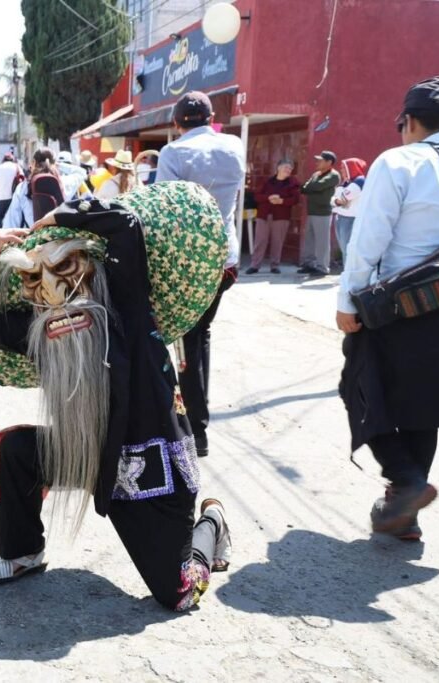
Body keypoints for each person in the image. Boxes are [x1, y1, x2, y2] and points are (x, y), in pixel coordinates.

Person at [0, 202, 232, 610]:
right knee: (19, 451)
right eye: (34, 279)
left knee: (179, 593)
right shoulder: (41, 329)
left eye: (65, 270)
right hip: (85, 453)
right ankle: (23, 552)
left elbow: (125, 225)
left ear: (92, 270)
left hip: (148, 473)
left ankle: (211, 522)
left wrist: (60, 217)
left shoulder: (129, 307)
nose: (52, 291)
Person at [337, 75, 439, 541]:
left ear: (410, 122)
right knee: (425, 407)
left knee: (360, 389)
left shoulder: (401, 161)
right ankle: (403, 511)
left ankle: (405, 484)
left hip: (407, 310)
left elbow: (369, 240)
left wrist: (348, 301)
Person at [156, 91, 244, 459]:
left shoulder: (173, 153)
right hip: (225, 258)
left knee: (186, 342)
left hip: (189, 261)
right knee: (199, 337)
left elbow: (165, 206)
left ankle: (195, 431)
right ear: (211, 118)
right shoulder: (234, 146)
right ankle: (197, 428)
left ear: (177, 123)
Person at [247, 160, 301, 274]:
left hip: (281, 216)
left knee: (277, 241)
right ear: (278, 168)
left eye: (290, 169)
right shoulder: (267, 181)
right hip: (264, 215)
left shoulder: (292, 183)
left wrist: (282, 201)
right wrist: (269, 198)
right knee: (260, 240)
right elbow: (257, 196)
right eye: (286, 167)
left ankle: (275, 265)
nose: (288, 170)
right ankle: (255, 265)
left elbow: (295, 199)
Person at [298, 151, 341, 275]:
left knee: (322, 241)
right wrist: (312, 187)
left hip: (323, 212)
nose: (317, 162)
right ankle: (308, 264)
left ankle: (322, 267)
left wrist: (311, 187)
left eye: (320, 160)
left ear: (329, 162)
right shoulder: (316, 174)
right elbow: (304, 188)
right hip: (311, 211)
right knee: (309, 240)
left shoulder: (334, 175)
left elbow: (316, 186)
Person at [331, 158, 368, 259]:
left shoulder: (360, 181)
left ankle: (349, 272)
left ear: (351, 168)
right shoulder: (346, 182)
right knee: (344, 250)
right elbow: (333, 200)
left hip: (350, 219)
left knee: (348, 249)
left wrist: (336, 199)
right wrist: (336, 200)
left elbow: (343, 198)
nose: (341, 170)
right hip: (340, 217)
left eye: (344, 168)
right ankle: (345, 272)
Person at [0, 153, 22, 228]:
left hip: (1, 197)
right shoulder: (17, 167)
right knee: (13, 218)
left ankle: (2, 232)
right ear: (13, 159)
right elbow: (22, 179)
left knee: (0, 217)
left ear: (3, 159)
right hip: (14, 197)